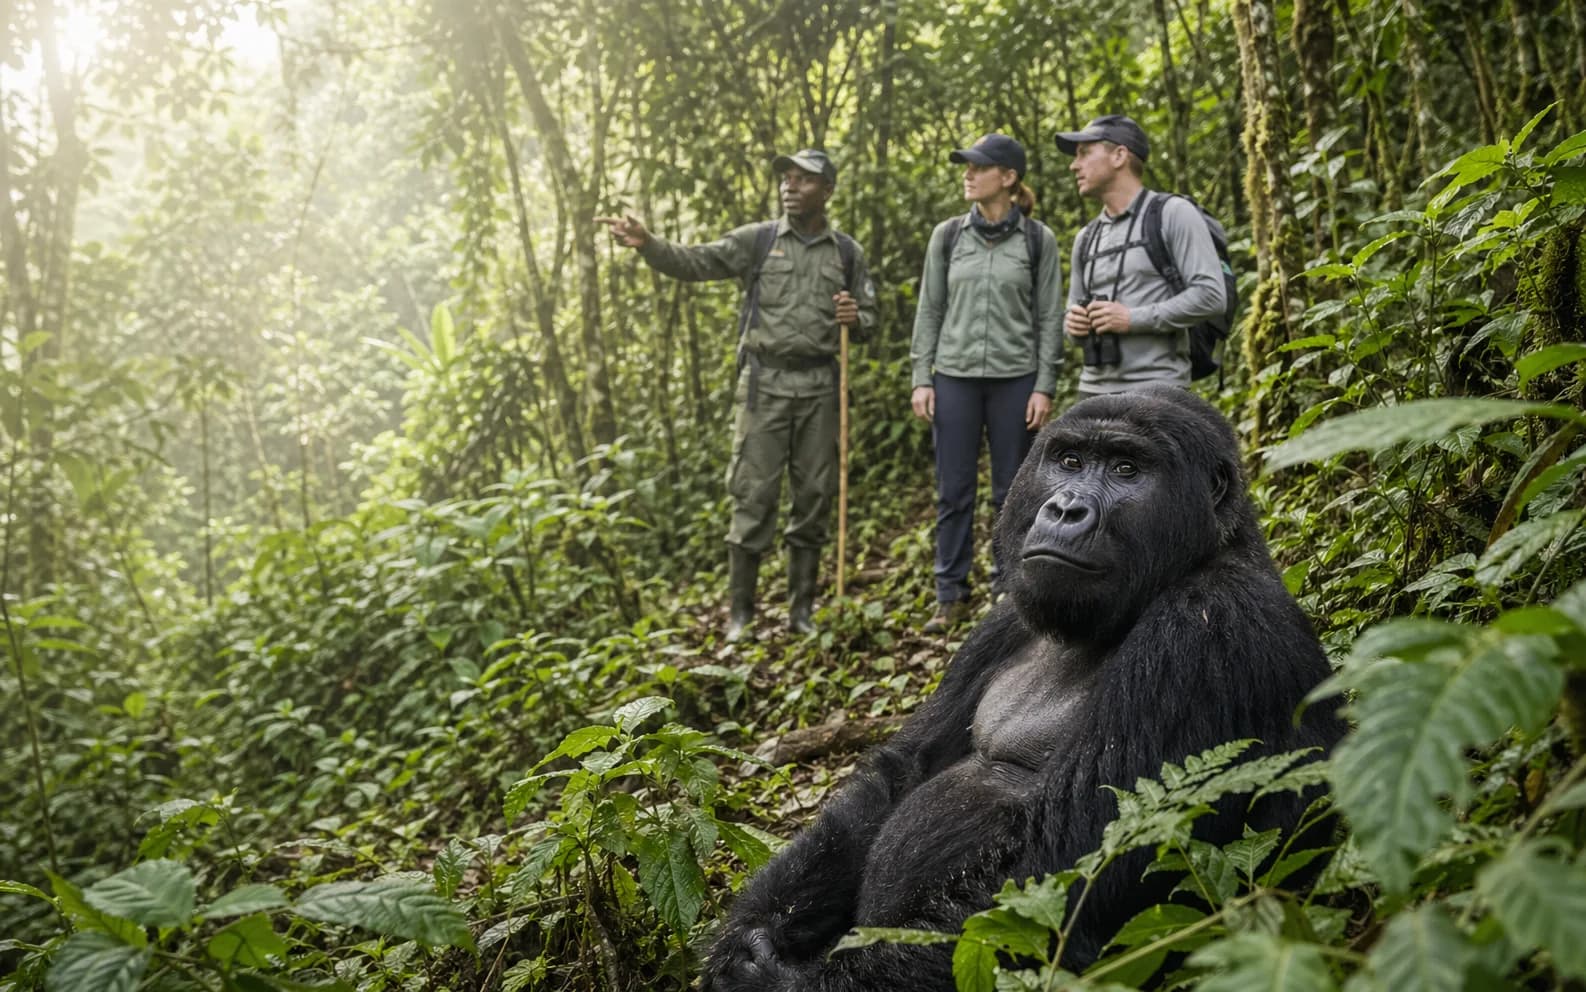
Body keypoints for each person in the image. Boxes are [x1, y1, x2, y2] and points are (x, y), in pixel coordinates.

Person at [598, 150, 877, 643]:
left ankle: (801, 613)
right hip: (763, 386)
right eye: (786, 179)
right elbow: (697, 261)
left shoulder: (846, 253)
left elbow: (870, 319)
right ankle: (740, 616)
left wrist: (858, 318)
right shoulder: (759, 240)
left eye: (803, 180)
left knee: (813, 495)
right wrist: (649, 244)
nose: (790, 187)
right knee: (753, 494)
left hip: (819, 386)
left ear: (827, 190)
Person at [909, 133, 1062, 634]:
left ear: (1009, 177)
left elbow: (1048, 316)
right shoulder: (948, 236)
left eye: (978, 166)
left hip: (1015, 380)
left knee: (1012, 491)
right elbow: (930, 309)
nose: (967, 174)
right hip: (953, 378)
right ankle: (948, 594)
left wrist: (1044, 384)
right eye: (966, 166)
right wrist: (921, 376)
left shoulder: (1038, 241)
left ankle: (1008, 589)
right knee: (953, 490)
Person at [1055, 115, 1226, 396]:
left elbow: (1211, 295)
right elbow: (1071, 320)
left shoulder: (1172, 214)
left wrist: (1132, 319)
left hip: (1159, 390)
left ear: (1119, 155)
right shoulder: (1085, 237)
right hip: (1092, 392)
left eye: (1084, 153)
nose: (1074, 165)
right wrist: (1073, 324)